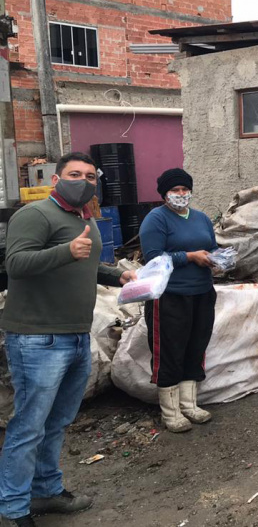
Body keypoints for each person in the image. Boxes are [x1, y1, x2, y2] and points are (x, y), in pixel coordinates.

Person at [0, 152, 136, 527]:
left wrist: (115, 276)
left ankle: (45, 490)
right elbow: (15, 264)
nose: (84, 180)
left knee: (57, 421)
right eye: (75, 174)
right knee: (29, 424)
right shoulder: (35, 215)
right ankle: (13, 507)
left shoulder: (83, 218)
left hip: (76, 335)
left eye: (90, 176)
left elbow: (86, 265)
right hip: (37, 337)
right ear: (57, 179)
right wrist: (64, 251)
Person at [139, 169, 219, 434]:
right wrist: (189, 257)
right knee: (170, 351)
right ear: (165, 194)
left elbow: (212, 246)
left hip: (202, 292)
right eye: (176, 191)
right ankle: (171, 412)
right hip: (170, 296)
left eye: (185, 190)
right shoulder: (156, 219)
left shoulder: (201, 218)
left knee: (196, 346)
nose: (182, 195)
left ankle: (190, 404)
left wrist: (221, 259)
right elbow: (153, 258)